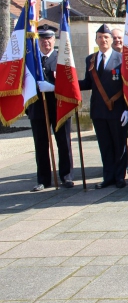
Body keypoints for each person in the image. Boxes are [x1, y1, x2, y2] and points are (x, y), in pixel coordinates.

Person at [79, 24, 128, 189]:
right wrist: (69, 83)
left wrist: (127, 109)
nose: (103, 40)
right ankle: (108, 176)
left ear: (112, 40)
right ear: (96, 39)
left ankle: (120, 177)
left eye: (106, 37)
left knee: (119, 144)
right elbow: (88, 82)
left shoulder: (121, 59)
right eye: (100, 37)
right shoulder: (91, 59)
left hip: (117, 108)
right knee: (105, 145)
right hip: (98, 110)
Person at [27, 25, 75, 191]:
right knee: (40, 144)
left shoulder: (62, 59)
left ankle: (66, 176)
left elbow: (70, 84)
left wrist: (54, 87)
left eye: (48, 39)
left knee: (64, 142)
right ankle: (43, 179)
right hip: (38, 108)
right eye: (42, 39)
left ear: (54, 40)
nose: (45, 42)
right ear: (37, 41)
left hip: (59, 107)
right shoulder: (31, 60)